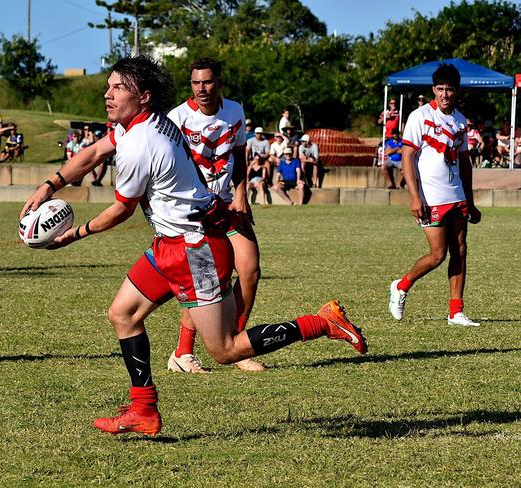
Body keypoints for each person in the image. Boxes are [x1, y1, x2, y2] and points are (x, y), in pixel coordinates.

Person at [20, 55, 367, 437]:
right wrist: (50, 183)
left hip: (195, 249)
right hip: (172, 244)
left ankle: (322, 322)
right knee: (123, 314)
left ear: (144, 96)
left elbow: (121, 210)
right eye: (109, 86)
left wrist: (76, 233)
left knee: (225, 350)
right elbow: (94, 152)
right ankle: (143, 410)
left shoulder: (141, 142)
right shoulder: (146, 122)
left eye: (118, 88)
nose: (108, 94)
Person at [167, 56, 264, 372]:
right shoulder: (177, 118)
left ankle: (237, 344)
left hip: (228, 204)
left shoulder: (234, 110)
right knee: (204, 282)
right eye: (196, 83)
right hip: (195, 211)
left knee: (249, 270)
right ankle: (183, 354)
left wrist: (241, 194)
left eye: (207, 82)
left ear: (218, 82)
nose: (201, 88)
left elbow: (238, 153)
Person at [389, 63, 481, 327]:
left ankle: (456, 311)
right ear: (433, 90)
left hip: (457, 194)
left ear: (456, 91)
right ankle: (401, 286)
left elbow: (464, 164)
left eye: (449, 89)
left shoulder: (460, 121)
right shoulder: (419, 116)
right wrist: (414, 196)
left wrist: (471, 201)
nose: (445, 94)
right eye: (440, 89)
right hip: (430, 197)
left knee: (460, 251)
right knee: (437, 255)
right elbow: (408, 156)